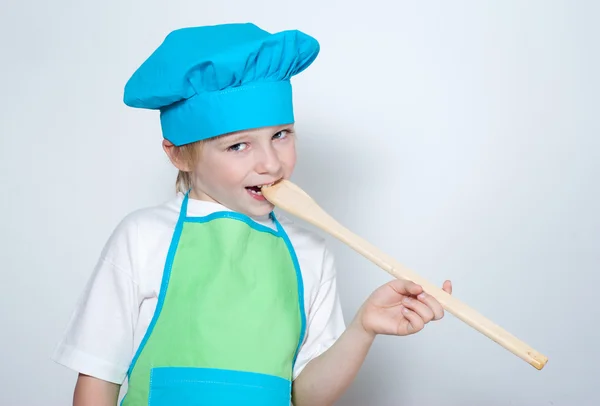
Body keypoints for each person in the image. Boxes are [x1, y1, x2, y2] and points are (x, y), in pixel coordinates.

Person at [52, 22, 453, 406]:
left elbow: (306, 396)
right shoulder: (141, 238)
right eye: (238, 146)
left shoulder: (310, 251)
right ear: (178, 153)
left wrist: (364, 328)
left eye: (281, 135)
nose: (270, 164)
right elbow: (97, 379)